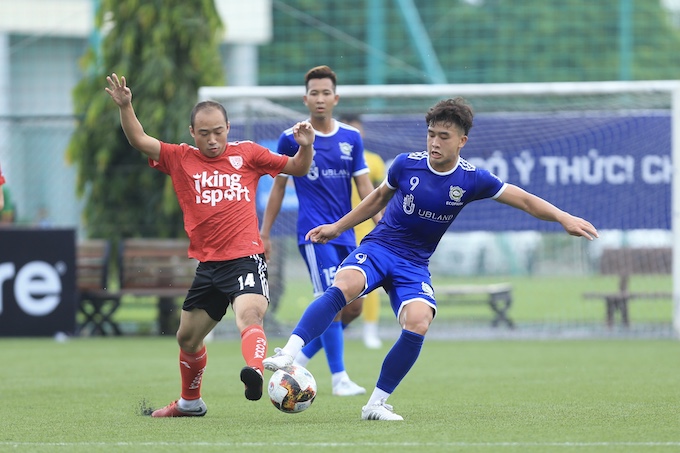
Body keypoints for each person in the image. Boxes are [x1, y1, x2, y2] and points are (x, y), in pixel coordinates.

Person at [263, 97, 598, 420]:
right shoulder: (406, 164)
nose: (435, 142)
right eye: (431, 135)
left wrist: (563, 217)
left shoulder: (472, 178)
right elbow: (376, 199)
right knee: (344, 285)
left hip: (414, 264)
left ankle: (376, 405)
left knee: (419, 321)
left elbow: (524, 200)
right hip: (381, 246)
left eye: (444, 137)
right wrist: (337, 228)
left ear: (461, 141)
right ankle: (288, 354)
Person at [105, 73, 314, 417]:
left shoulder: (248, 154)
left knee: (249, 316)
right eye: (204, 134)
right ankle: (190, 403)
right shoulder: (180, 158)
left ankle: (256, 372)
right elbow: (140, 139)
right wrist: (126, 106)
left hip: (246, 258)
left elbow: (297, 168)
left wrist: (306, 145)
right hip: (209, 267)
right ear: (192, 133)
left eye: (218, 132)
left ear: (228, 128)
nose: (212, 140)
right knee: (187, 338)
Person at [260, 65, 379, 396]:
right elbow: (279, 189)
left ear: (336, 97)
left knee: (352, 306)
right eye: (315, 93)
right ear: (305, 98)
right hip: (313, 235)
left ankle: (298, 357)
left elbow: (366, 186)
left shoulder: (351, 138)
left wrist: (380, 223)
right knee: (331, 296)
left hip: (346, 232)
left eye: (327, 92)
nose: (321, 98)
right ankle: (339, 378)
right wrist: (265, 233)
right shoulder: (291, 137)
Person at [339, 113, 386, 349]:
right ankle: (335, 332)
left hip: (367, 230)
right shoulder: (333, 159)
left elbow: (381, 194)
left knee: (371, 284)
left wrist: (382, 223)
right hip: (339, 229)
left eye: (358, 131)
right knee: (336, 289)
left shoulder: (374, 161)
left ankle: (370, 331)